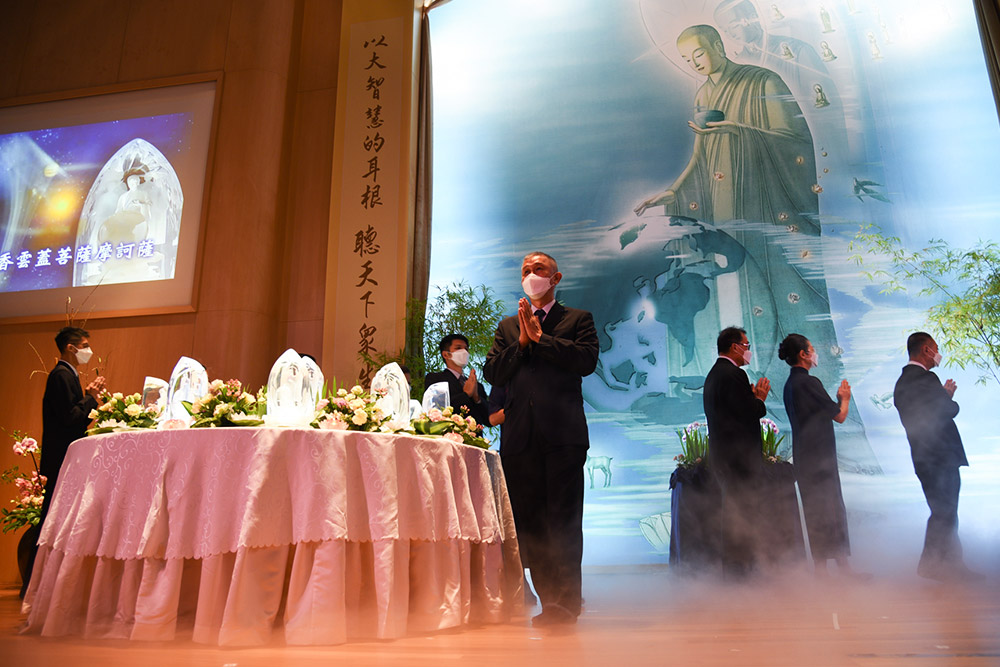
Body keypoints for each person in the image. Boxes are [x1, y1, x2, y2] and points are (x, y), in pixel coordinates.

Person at [484, 251, 598, 626]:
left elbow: (586, 361)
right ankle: (549, 600)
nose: (531, 275)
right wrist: (521, 342)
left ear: (555, 278)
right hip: (520, 440)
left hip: (564, 436)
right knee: (530, 524)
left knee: (563, 521)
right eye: (525, 271)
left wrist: (541, 339)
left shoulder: (578, 319)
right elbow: (493, 373)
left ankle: (566, 603)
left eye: (539, 269)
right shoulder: (507, 327)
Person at [893, 332, 982, 582]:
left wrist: (940, 398)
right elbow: (947, 410)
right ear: (925, 350)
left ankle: (949, 565)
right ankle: (934, 565)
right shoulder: (926, 378)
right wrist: (947, 398)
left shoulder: (901, 383)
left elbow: (924, 414)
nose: (938, 354)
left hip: (923, 458)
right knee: (946, 512)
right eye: (935, 348)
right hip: (941, 457)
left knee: (943, 511)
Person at [23, 326, 105, 596]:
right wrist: (90, 398)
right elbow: (70, 418)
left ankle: (44, 584)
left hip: (65, 458)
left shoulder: (69, 375)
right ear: (71, 347)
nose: (88, 351)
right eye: (85, 345)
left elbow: (73, 418)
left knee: (56, 519)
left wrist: (89, 398)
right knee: (51, 520)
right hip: (60, 460)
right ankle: (33, 584)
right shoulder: (61, 375)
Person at [778, 333, 866, 579]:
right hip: (821, 460)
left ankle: (822, 572)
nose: (815, 353)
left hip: (805, 458)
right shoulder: (809, 382)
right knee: (832, 511)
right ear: (803, 354)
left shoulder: (790, 384)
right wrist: (844, 399)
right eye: (812, 349)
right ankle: (843, 570)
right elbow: (839, 415)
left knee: (816, 513)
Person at [703, 326, 769, 578]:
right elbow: (748, 413)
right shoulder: (734, 374)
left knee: (734, 512)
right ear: (734, 347)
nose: (749, 351)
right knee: (741, 513)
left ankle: (737, 570)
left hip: (724, 457)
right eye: (746, 346)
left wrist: (750, 399)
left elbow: (732, 411)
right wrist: (759, 399)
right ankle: (740, 572)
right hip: (739, 460)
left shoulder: (715, 374)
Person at [424, 334, 490, 427]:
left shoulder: (476, 385)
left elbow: (489, 420)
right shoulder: (435, 379)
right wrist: (466, 394)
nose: (464, 352)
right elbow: (437, 409)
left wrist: (477, 398)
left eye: (466, 349)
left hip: (474, 435)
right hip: (447, 433)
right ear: (446, 354)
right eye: (458, 348)